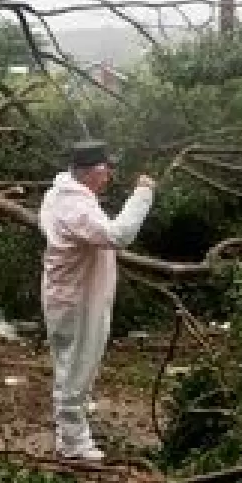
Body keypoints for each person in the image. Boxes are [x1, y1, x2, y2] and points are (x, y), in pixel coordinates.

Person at [39, 140, 155, 461]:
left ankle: (72, 422)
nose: (110, 174)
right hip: (77, 299)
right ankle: (73, 442)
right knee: (77, 365)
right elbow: (118, 236)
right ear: (94, 170)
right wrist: (143, 195)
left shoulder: (62, 196)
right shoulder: (74, 206)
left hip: (71, 294)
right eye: (107, 167)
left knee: (73, 364)